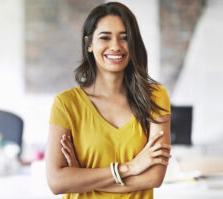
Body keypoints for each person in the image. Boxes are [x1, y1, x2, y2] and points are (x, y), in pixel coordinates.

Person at [46, 2, 171, 199]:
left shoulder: (155, 97)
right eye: (105, 37)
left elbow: (154, 177)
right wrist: (130, 167)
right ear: (89, 44)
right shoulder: (66, 104)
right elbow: (57, 182)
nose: (116, 46)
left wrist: (82, 178)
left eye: (125, 38)